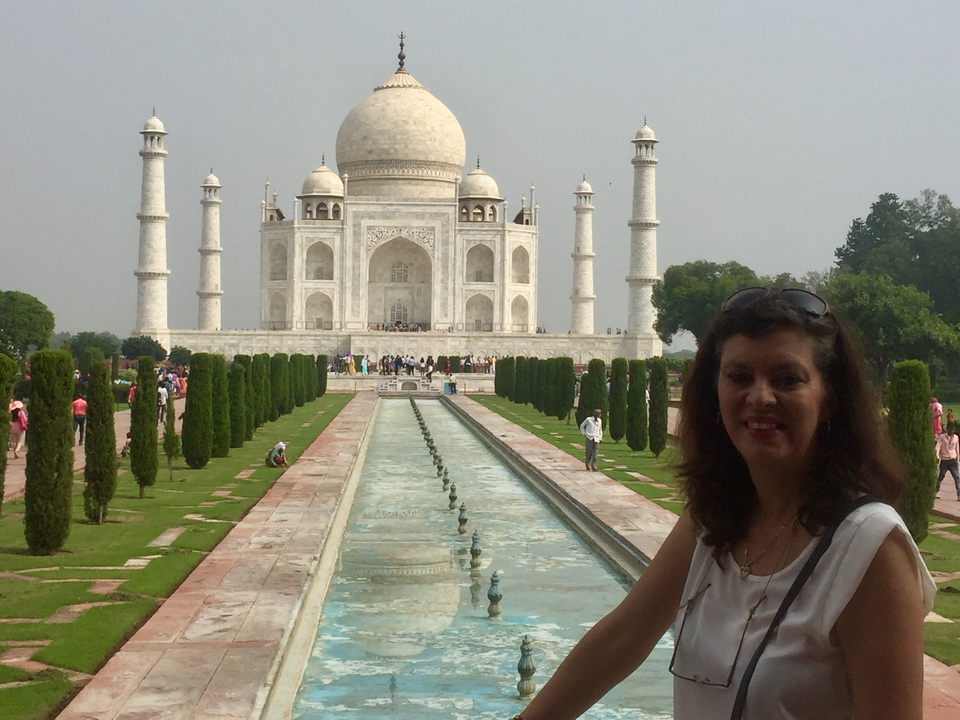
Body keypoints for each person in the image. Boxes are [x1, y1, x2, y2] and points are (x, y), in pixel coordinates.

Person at [516, 287, 934, 720]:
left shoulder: (869, 549)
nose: (760, 397)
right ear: (715, 392)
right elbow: (625, 637)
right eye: (739, 377)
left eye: (787, 379)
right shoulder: (715, 519)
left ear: (828, 398)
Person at [936, 421, 960, 501]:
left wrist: (957, 458)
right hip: (945, 460)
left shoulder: (956, 437)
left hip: (953, 460)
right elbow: (938, 446)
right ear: (947, 429)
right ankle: (936, 492)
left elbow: (957, 448)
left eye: (953, 429)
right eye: (950, 429)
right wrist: (937, 455)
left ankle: (959, 494)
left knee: (956, 477)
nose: (952, 431)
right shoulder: (942, 437)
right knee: (940, 476)